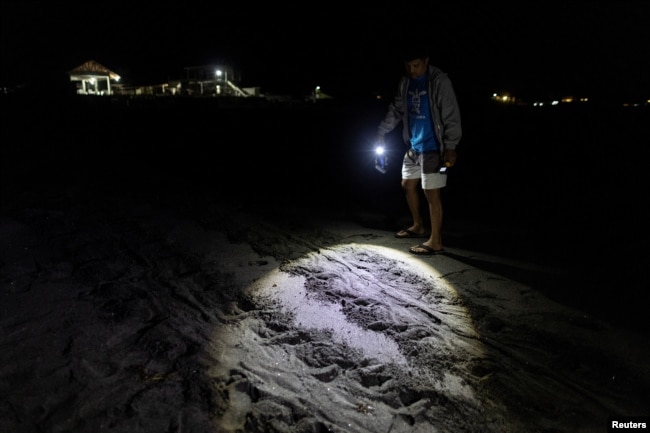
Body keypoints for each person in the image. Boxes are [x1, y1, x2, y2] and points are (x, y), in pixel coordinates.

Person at [376, 46, 462, 255]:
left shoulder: (439, 81)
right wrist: (382, 131)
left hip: (434, 147)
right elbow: (396, 109)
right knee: (407, 185)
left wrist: (451, 145)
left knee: (431, 193)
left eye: (416, 65)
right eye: (408, 65)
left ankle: (436, 241)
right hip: (413, 145)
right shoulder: (406, 82)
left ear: (426, 61)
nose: (412, 70)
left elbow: (450, 113)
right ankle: (418, 226)